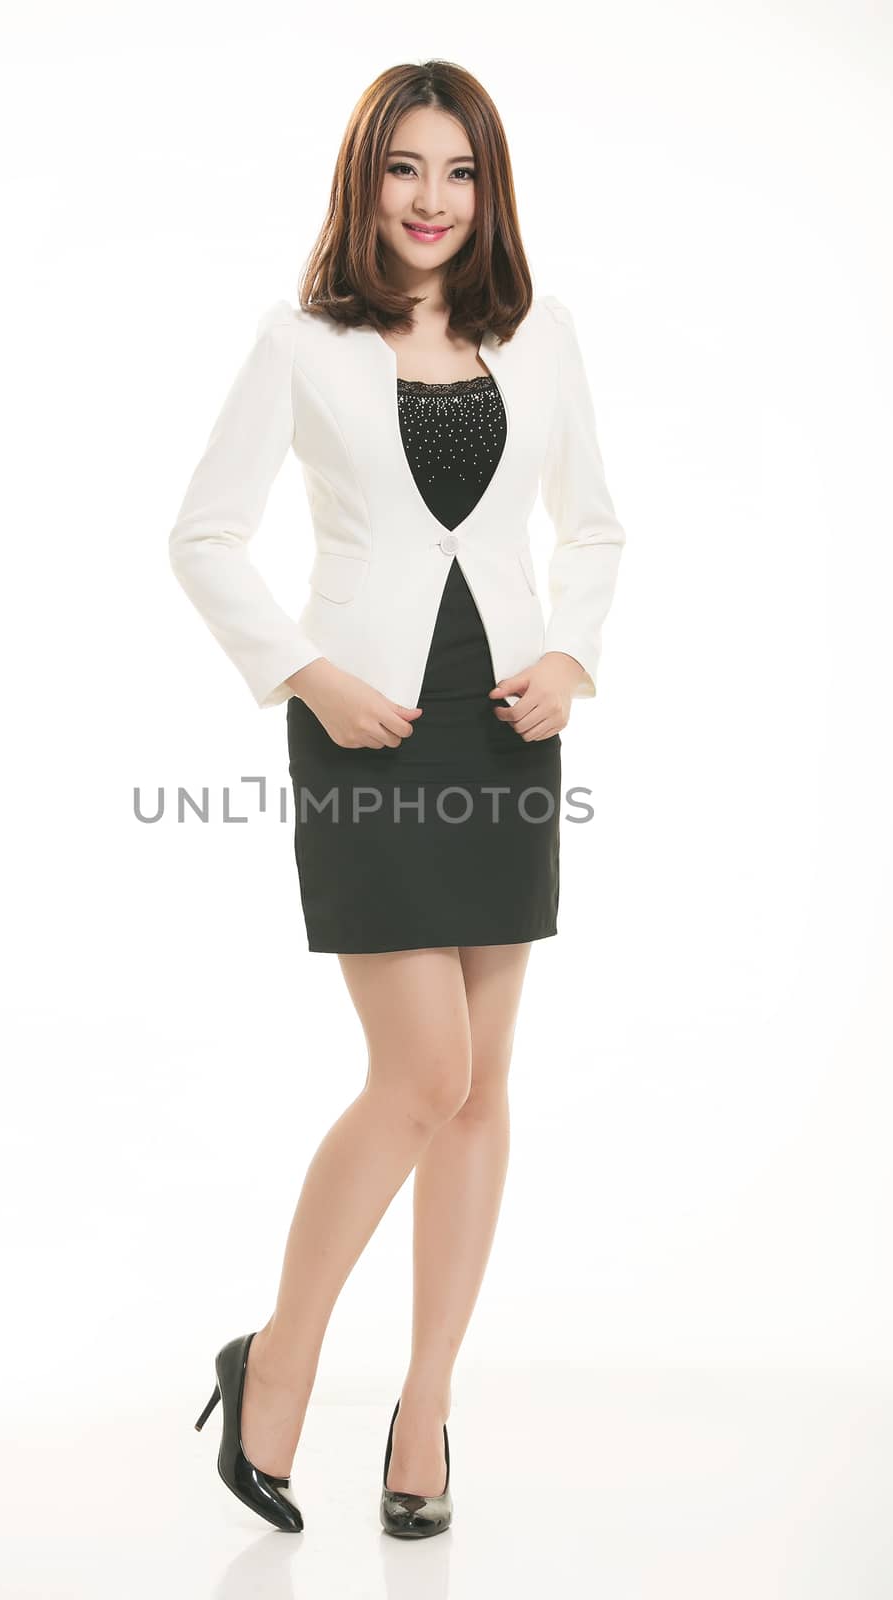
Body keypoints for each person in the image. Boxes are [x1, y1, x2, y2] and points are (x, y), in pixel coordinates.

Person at [171, 58, 626, 1538]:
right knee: (419, 1075)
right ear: (365, 183)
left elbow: (596, 525)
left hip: (505, 734)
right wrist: (304, 674)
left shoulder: (542, 337)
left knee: (484, 1089)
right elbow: (206, 535)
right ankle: (279, 1357)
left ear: (488, 192)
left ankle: (425, 1403)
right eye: (405, 170)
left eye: (460, 173)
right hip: (364, 731)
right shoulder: (300, 342)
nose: (432, 201)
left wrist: (571, 649)